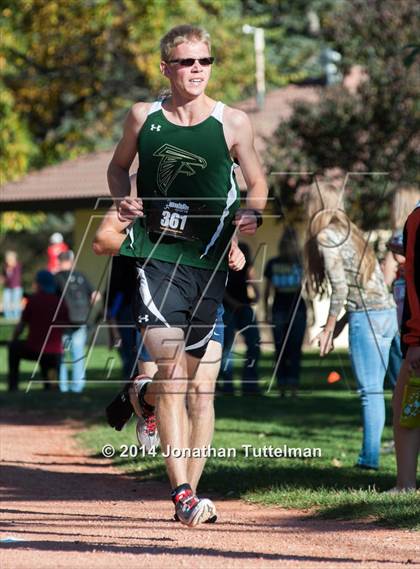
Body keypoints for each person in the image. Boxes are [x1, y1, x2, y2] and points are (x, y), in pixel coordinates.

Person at [106, 24, 267, 526]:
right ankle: (183, 496)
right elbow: (118, 167)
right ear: (166, 68)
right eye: (186, 62)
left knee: (189, 379)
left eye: (205, 61)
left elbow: (256, 183)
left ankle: (141, 396)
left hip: (209, 266)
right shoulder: (144, 117)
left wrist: (249, 219)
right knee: (174, 372)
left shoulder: (233, 122)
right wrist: (121, 199)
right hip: (156, 259)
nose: (197, 69)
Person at [93, 203, 245, 521]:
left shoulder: (219, 182)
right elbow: (102, 240)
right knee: (172, 382)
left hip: (206, 296)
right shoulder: (144, 181)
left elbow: (222, 235)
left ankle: (189, 497)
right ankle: (183, 492)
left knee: (202, 393)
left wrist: (235, 251)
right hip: (160, 290)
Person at [305, 183, 398, 470]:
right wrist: (341, 325)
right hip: (389, 315)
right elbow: (366, 286)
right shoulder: (352, 234)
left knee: (370, 393)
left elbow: (342, 289)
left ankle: (368, 460)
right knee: (404, 390)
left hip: (368, 319)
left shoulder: (325, 236)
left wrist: (329, 328)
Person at [392, 201, 420, 491]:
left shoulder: (417, 219)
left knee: (407, 408)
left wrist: (415, 341)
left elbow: (415, 279)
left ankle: (406, 484)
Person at [8, 270, 68, 391]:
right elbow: (65, 326)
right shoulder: (61, 302)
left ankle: (13, 386)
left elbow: (21, 326)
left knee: (14, 347)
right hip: (54, 352)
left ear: (39, 284)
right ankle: (52, 389)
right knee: (51, 378)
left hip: (34, 349)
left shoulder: (33, 301)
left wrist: (13, 339)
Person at [264, 227, 307, 397]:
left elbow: (307, 289)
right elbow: (268, 291)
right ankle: (286, 386)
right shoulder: (275, 263)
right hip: (285, 307)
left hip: (292, 307)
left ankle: (289, 385)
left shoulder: (300, 263)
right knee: (286, 348)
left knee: (289, 348)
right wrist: (267, 311)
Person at [55, 251, 101, 393]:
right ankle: (77, 387)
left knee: (60, 355)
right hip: (80, 320)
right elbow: (96, 296)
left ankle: (62, 387)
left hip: (62, 322)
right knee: (78, 355)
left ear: (59, 261)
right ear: (72, 261)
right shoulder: (80, 276)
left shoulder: (55, 278)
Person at [220, 242, 261, 395]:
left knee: (254, 343)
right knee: (227, 348)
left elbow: (252, 279)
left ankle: (250, 385)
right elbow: (220, 287)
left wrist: (257, 295)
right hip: (228, 308)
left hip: (244, 307)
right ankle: (227, 385)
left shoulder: (246, 259)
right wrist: (233, 303)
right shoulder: (223, 259)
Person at [1, 251, 23, 320]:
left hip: (16, 287)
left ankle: (16, 317)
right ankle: (8, 317)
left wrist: (5, 279)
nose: (8, 261)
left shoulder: (17, 266)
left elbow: (15, 278)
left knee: (16, 303)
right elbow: (4, 276)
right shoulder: (5, 267)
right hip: (7, 287)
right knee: (6, 302)